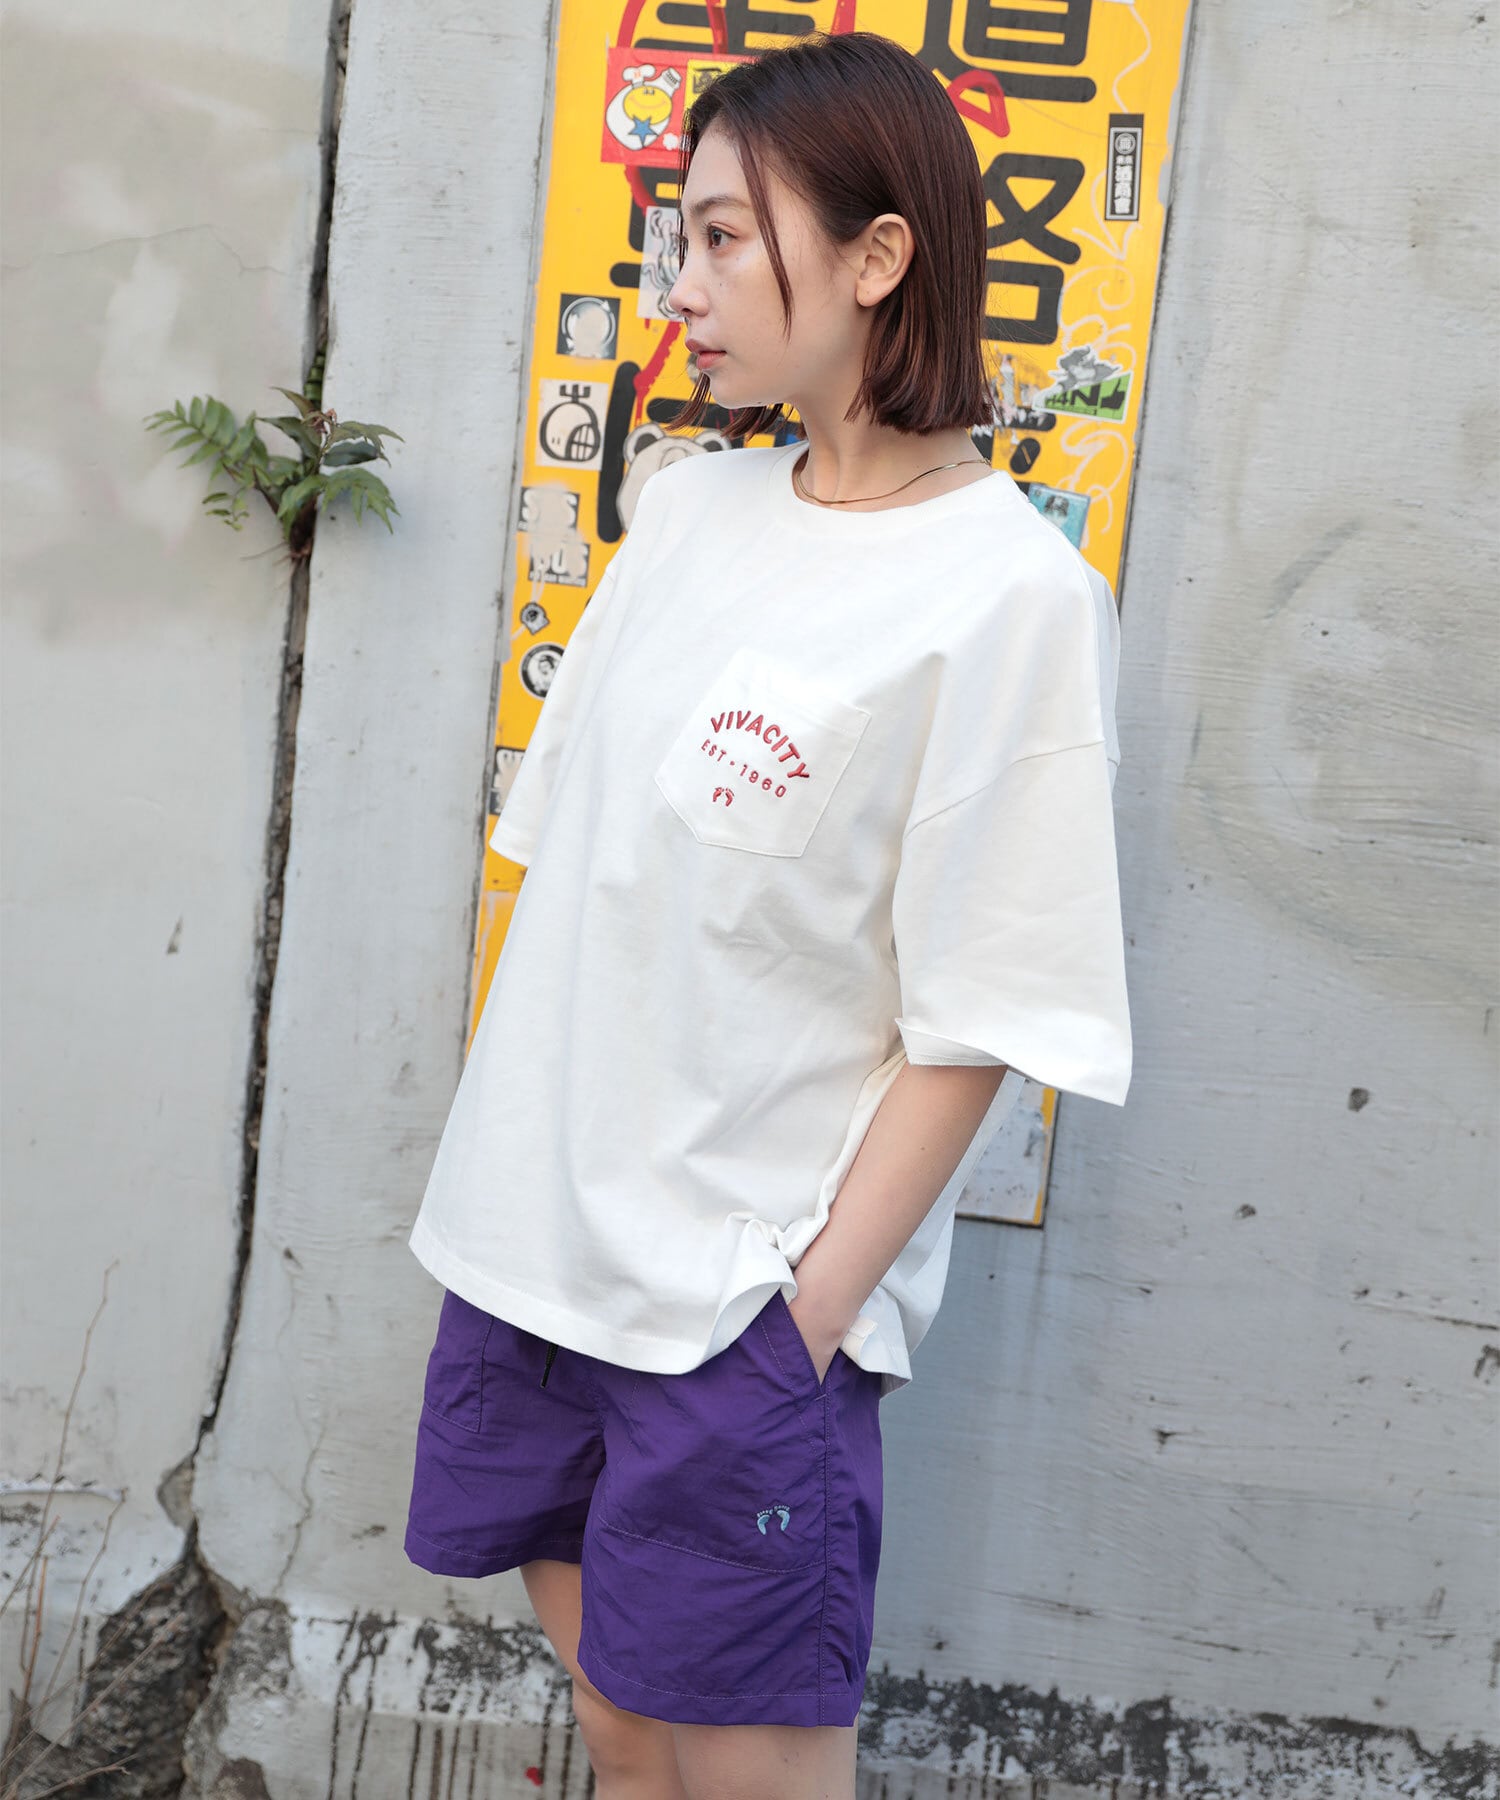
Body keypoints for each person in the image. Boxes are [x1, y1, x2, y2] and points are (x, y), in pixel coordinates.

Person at [403, 30, 1132, 1800]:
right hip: (533, 1260)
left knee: (750, 1782)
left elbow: (983, 1018)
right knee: (618, 1741)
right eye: (683, 236)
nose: (685, 283)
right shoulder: (687, 514)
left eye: (728, 236)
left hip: (728, 1308)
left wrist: (795, 1326)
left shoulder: (1013, 599)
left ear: (880, 256)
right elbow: (583, 883)